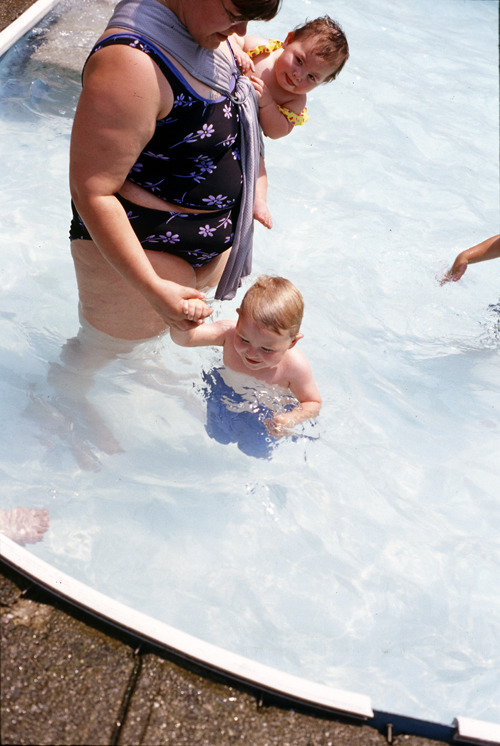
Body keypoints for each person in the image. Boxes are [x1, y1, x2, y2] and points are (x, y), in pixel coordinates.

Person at [69, 0, 281, 342]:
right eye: (234, 16)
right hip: (143, 257)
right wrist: (152, 287)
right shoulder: (131, 63)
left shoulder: (206, 30)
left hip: (198, 250)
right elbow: (91, 190)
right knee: (102, 364)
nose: (240, 32)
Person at [229, 16, 349, 226]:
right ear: (288, 40)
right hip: (224, 109)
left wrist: (267, 104)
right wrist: (237, 50)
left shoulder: (295, 99)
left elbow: (278, 131)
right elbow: (230, 38)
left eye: (312, 77)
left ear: (322, 83)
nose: (298, 75)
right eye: (299, 60)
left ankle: (258, 201)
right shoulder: (261, 49)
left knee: (258, 165)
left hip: (247, 133)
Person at [170, 275, 322, 437]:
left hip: (265, 413)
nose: (251, 353)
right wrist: (185, 316)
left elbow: (312, 402)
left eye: (266, 349)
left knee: (255, 450)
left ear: (292, 343)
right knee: (217, 435)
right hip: (224, 391)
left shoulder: (295, 367)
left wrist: (289, 419)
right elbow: (185, 339)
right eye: (244, 339)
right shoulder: (228, 333)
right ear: (238, 318)